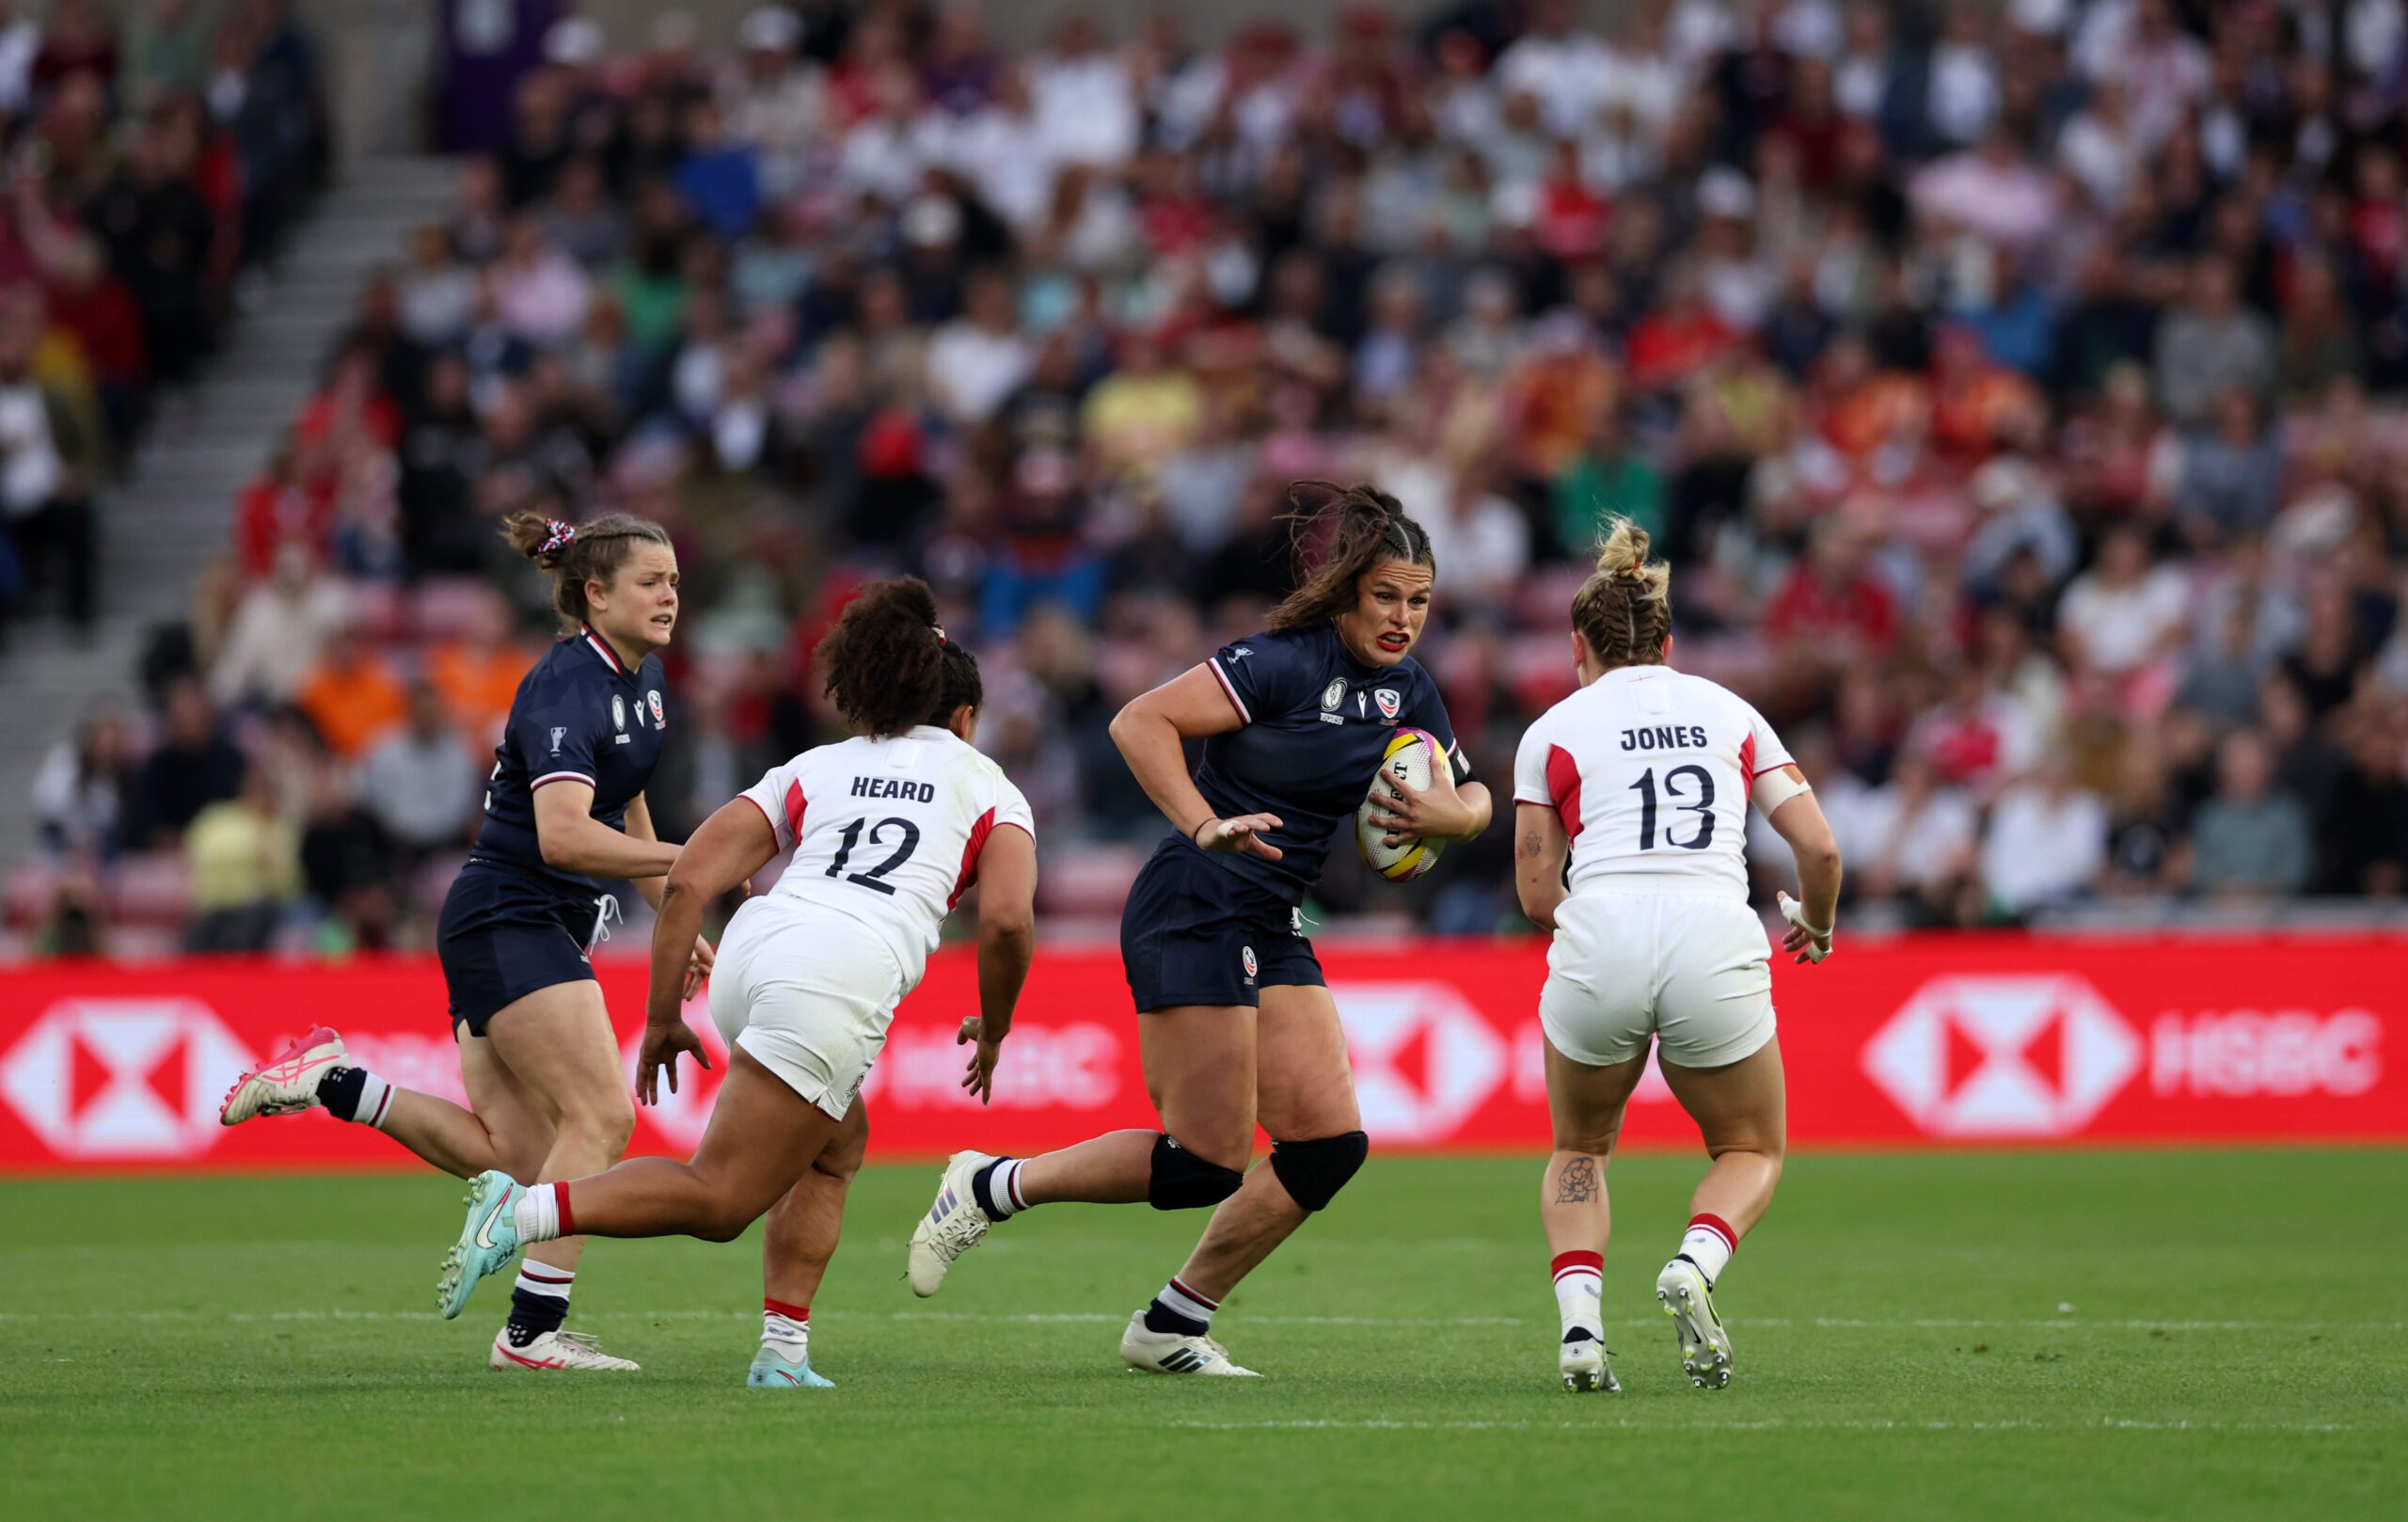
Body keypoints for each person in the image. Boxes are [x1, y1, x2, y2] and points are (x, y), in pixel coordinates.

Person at [905, 482, 1493, 1377]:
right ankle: (991, 1184)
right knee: (1203, 1164)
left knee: (1329, 1147)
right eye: (1385, 596)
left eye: (1419, 600)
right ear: (1345, 592)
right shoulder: (1281, 662)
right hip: (1198, 896)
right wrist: (1201, 820)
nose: (1403, 617)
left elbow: (1472, 791)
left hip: (1272, 910)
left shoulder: (1409, 690)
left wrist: (1457, 820)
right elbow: (1139, 721)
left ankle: (1172, 1323)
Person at [431, 578, 1038, 1389]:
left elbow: (689, 880)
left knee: (835, 1142)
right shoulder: (989, 786)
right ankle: (526, 1211)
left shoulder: (816, 766)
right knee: (719, 1201)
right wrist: (995, 1027)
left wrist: (660, 1018)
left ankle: (783, 1354)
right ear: (964, 717)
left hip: (757, 951)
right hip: (834, 978)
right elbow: (1005, 923)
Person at [217, 512, 707, 1374]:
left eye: (672, 578)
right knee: (602, 1117)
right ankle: (529, 1333)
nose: (669, 593)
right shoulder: (566, 685)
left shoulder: (646, 681)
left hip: (516, 922)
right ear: (596, 595)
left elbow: (624, 810)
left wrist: (677, 910)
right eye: (649, 580)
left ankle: (329, 1080)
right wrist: (698, 860)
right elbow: (563, 837)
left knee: (516, 1158)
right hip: (510, 915)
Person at [1510, 519, 1842, 1394]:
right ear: (1669, 644)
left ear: (1577, 645)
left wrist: (1605, 934)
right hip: (1712, 929)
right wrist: (1817, 920)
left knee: (1579, 1146)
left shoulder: (1551, 731)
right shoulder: (1732, 713)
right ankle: (1695, 1265)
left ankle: (1581, 1331)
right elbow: (1822, 851)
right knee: (1750, 1149)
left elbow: (1538, 898)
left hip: (1603, 929)